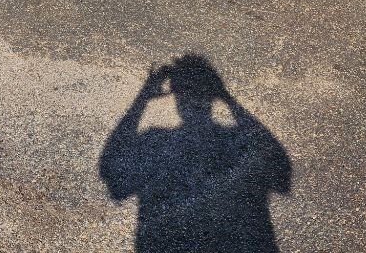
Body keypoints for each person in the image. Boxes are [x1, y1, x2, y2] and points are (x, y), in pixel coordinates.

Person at [100, 55, 291, 252]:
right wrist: (227, 98)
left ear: (176, 99)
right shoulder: (235, 141)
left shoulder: (155, 141)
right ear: (212, 96)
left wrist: (143, 98)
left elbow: (112, 171)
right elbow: (277, 161)